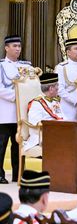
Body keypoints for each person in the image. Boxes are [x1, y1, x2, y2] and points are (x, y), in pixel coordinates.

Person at [0, 35, 28, 184]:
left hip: (21, 113)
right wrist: (17, 96)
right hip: (5, 113)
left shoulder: (27, 66)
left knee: (19, 145)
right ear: (6, 48)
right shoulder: (1, 66)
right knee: (1, 145)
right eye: (14, 46)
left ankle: (19, 173)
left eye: (19, 46)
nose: (17, 49)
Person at [23, 73, 64, 157]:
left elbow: (61, 117)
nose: (58, 89)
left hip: (56, 133)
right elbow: (36, 123)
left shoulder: (55, 101)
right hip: (41, 136)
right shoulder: (36, 103)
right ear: (51, 88)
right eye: (57, 86)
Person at [55, 37, 77, 121]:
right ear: (68, 52)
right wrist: (75, 101)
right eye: (76, 49)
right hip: (68, 106)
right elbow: (60, 89)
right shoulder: (61, 67)